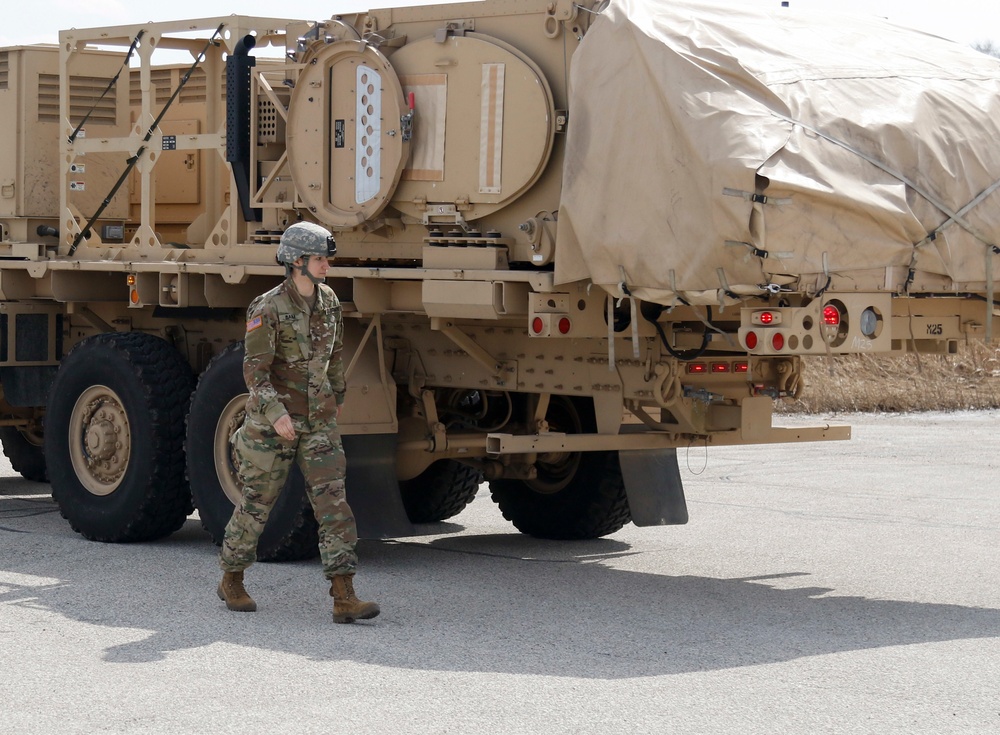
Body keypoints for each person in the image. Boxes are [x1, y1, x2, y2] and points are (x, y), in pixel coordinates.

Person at [216, 221, 379, 624]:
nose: (327, 266)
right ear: (296, 261)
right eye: (320, 259)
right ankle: (232, 577)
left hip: (319, 420)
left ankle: (344, 595)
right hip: (276, 424)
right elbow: (255, 372)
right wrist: (277, 415)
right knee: (258, 504)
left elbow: (335, 355)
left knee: (334, 505)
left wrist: (336, 397)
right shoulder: (266, 307)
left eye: (327, 259)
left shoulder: (329, 302)